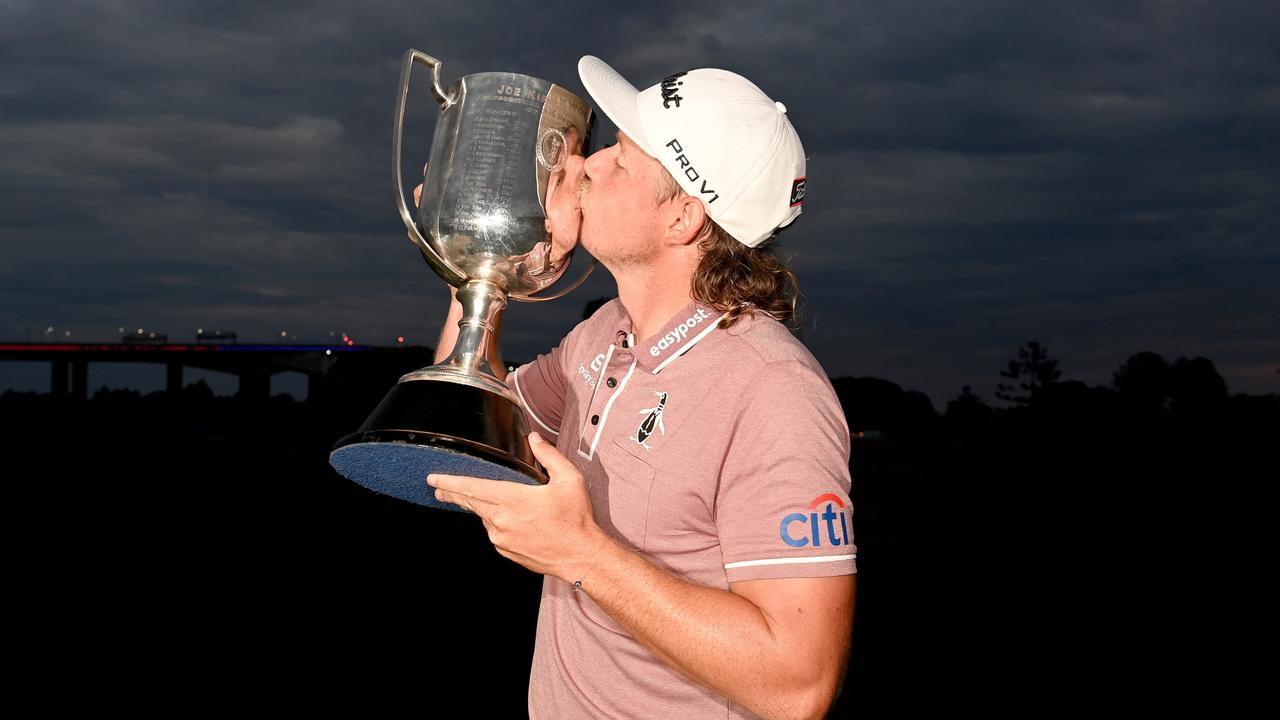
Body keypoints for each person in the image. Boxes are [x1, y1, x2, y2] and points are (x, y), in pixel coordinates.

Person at [423, 55, 857, 720]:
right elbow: (474, 423)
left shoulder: (773, 391)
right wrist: (480, 256)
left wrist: (581, 552)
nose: (586, 167)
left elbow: (798, 684)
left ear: (682, 217)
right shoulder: (602, 333)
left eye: (620, 159)